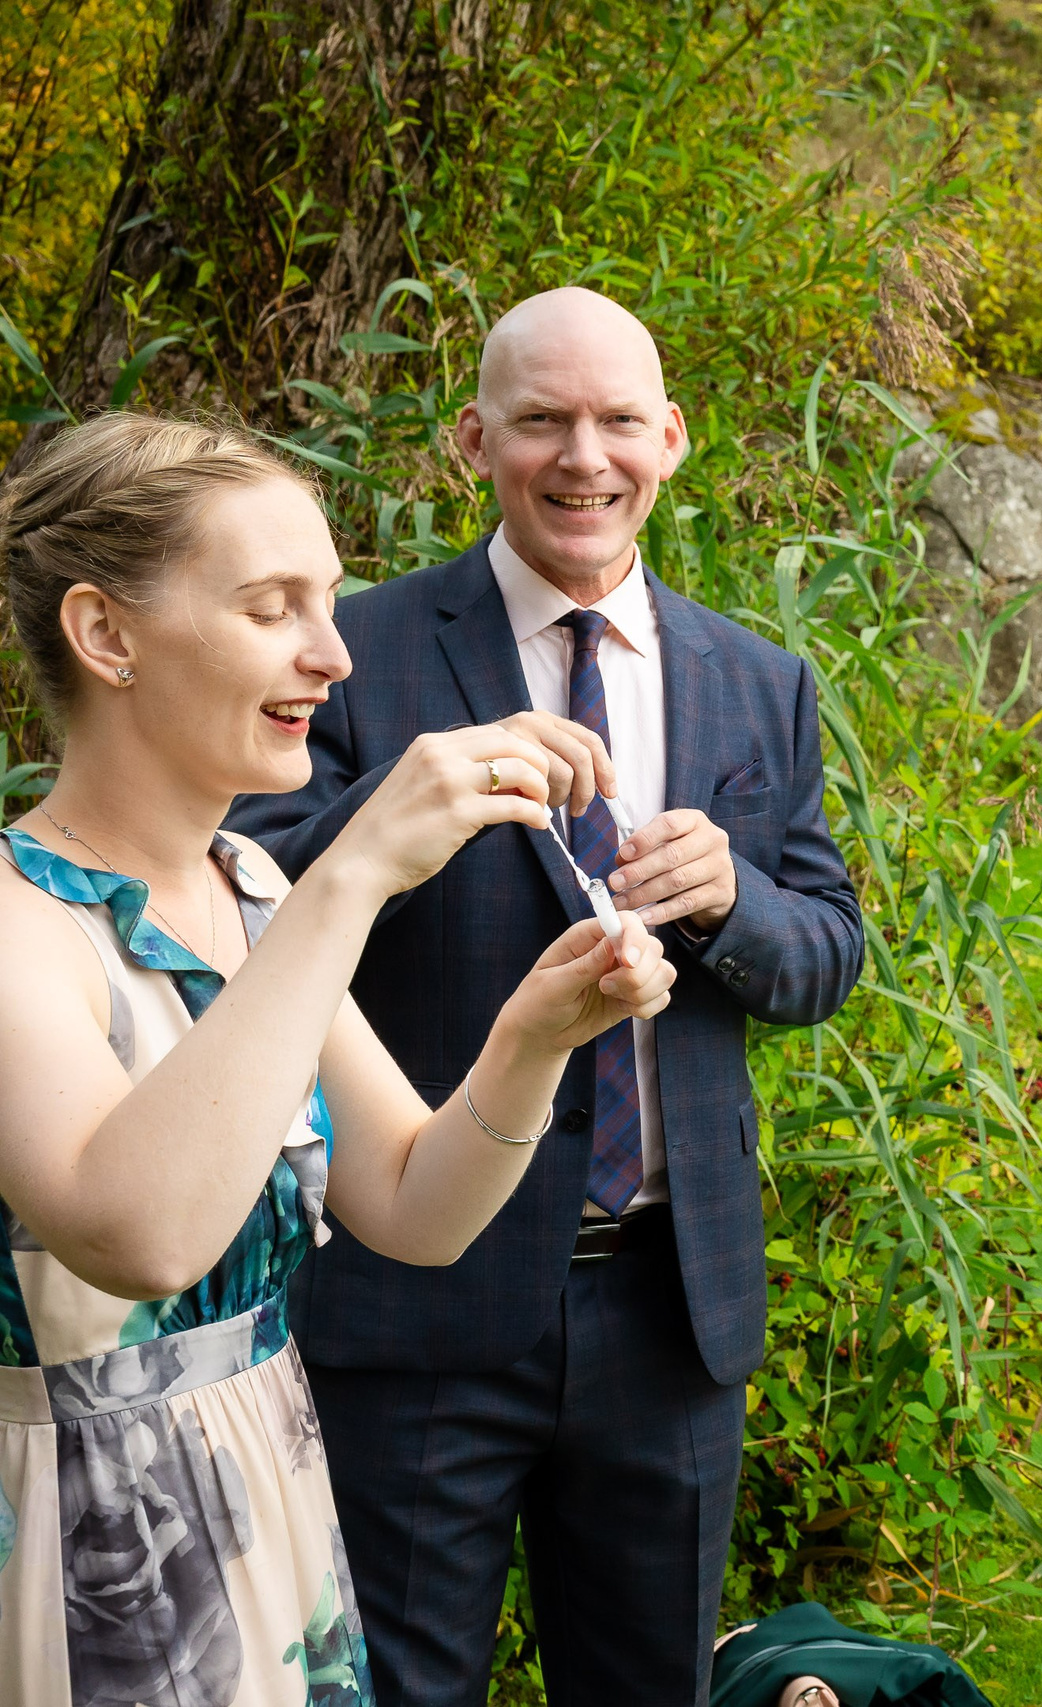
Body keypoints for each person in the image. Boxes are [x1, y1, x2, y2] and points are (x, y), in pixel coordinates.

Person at [228, 288, 865, 1705]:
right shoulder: (356, 653)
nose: (586, 457)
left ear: (673, 438)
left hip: (669, 1305)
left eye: (619, 420)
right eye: (542, 420)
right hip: (414, 1297)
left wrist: (732, 902)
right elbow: (236, 889)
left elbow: (825, 947)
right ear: (476, 437)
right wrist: (413, 808)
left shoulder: (758, 680)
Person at [0, 412, 676, 1702]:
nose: (333, 653)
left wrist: (534, 1036)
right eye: (272, 608)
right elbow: (138, 1237)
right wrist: (356, 868)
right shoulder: (19, 925)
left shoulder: (249, 884)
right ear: (106, 635)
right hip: (88, 1560)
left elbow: (416, 1208)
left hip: (278, 1507)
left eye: (330, 600)